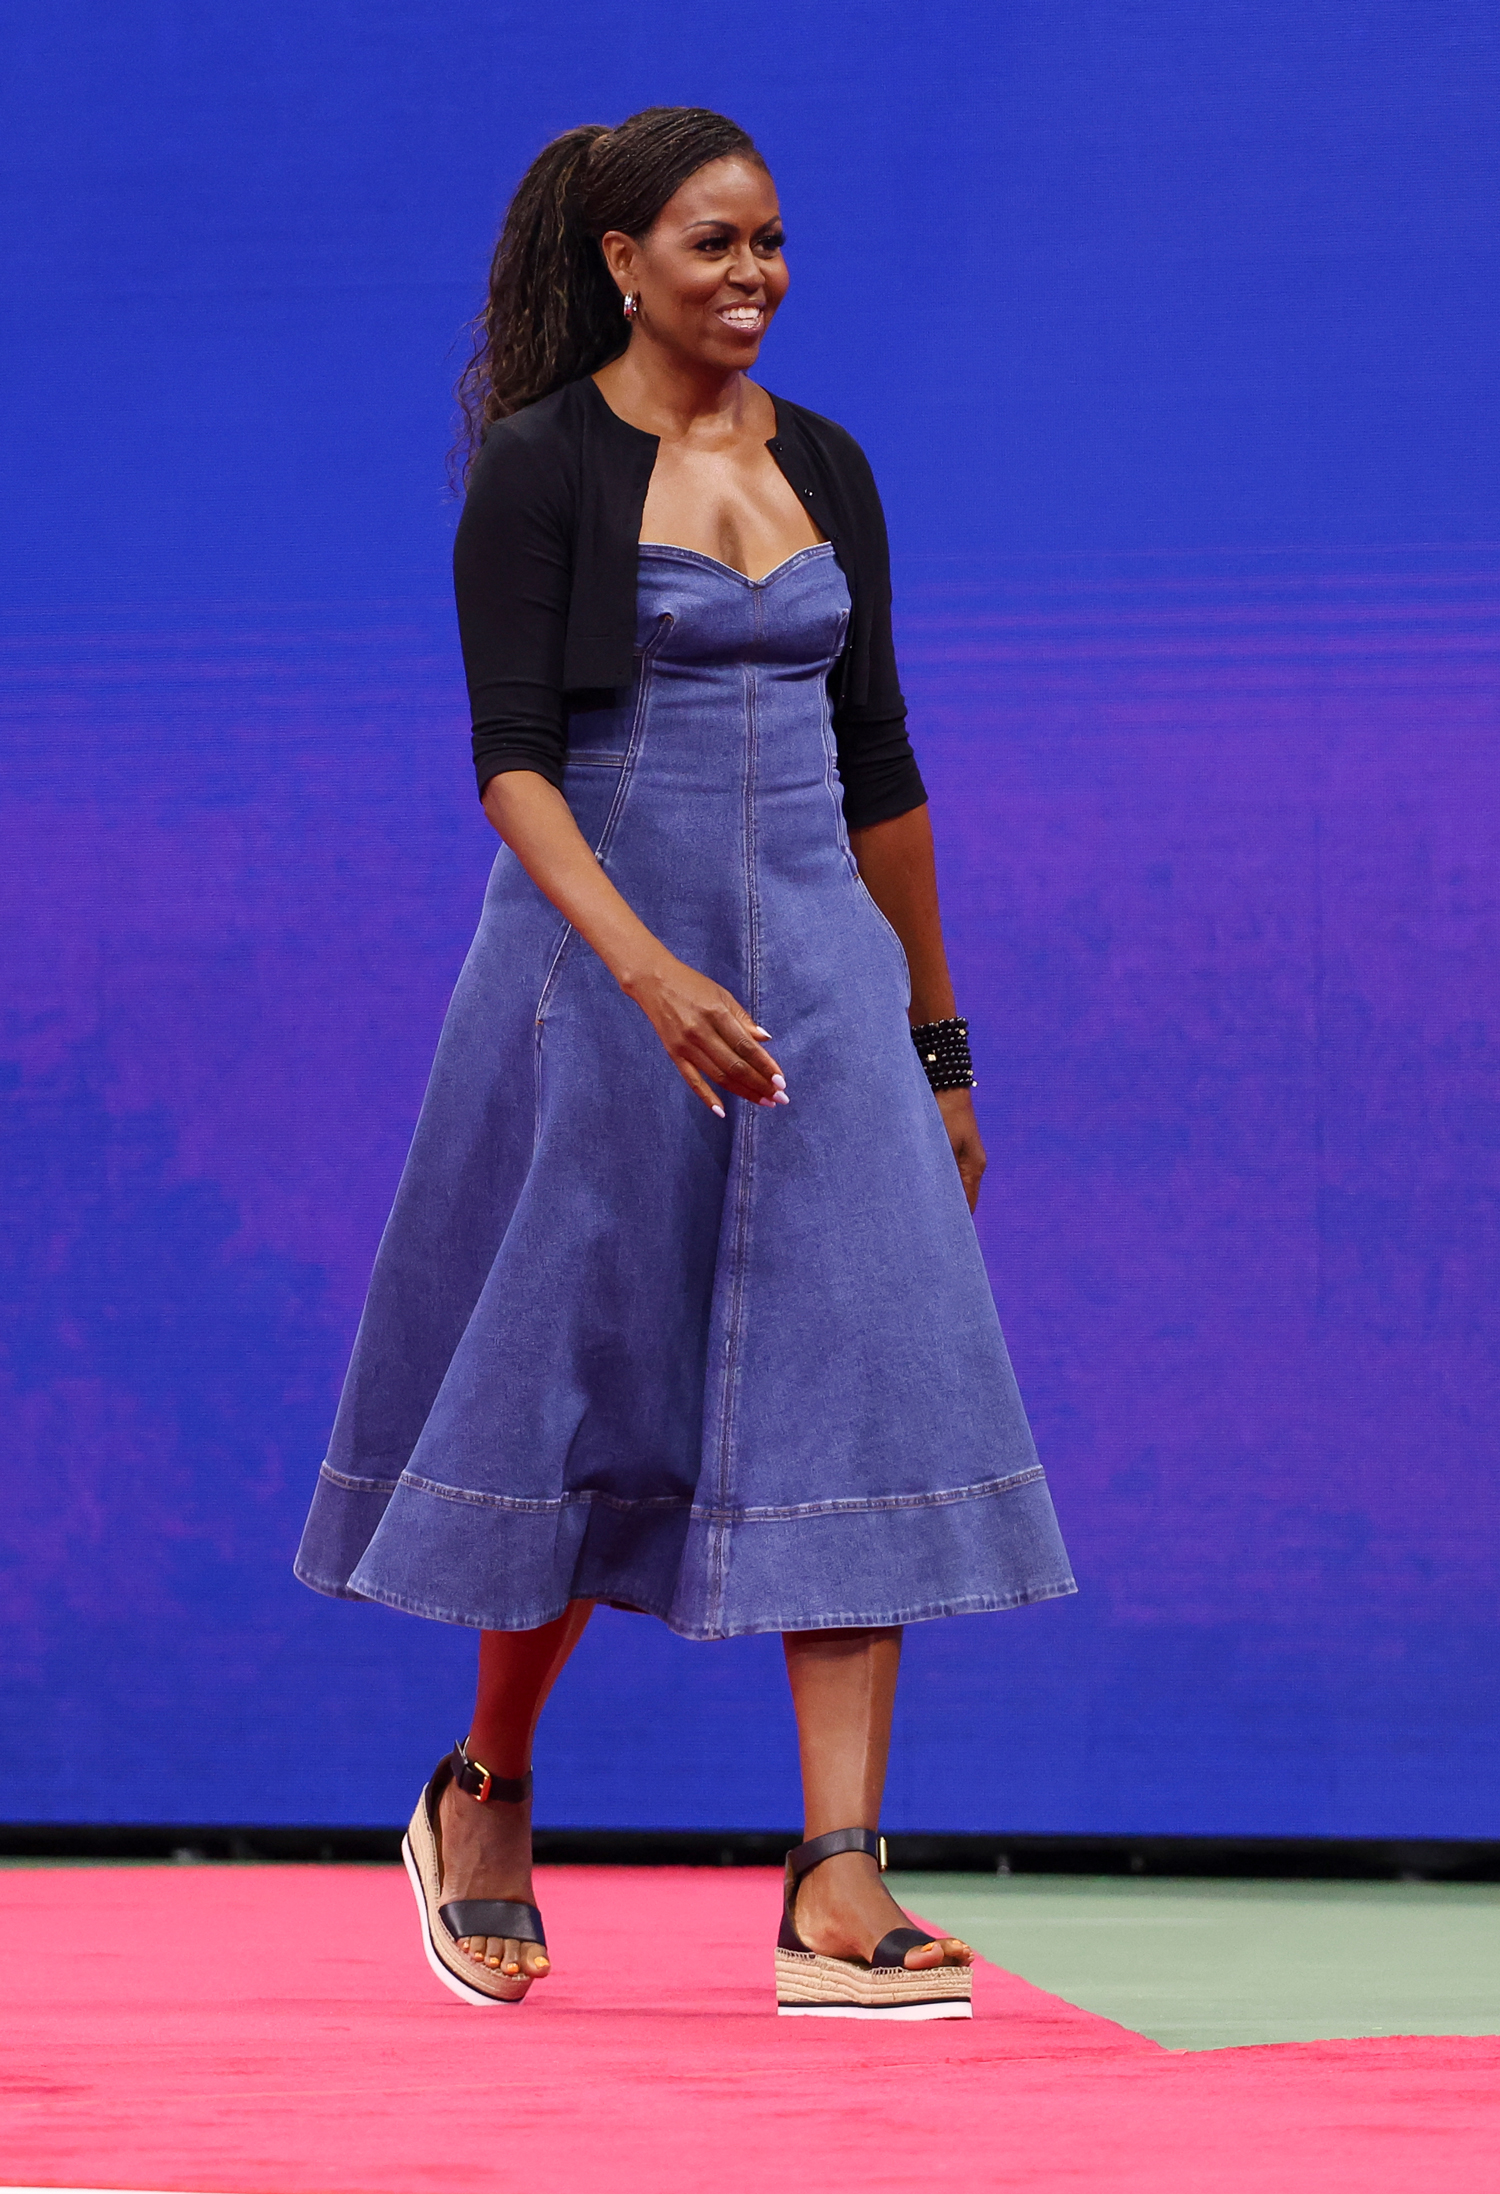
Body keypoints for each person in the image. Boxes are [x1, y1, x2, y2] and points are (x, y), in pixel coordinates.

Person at [295, 105, 1074, 2020]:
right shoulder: (543, 467)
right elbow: (511, 767)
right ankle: (486, 1785)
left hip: (821, 984)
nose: (754, 275)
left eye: (771, 241)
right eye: (715, 243)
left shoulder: (828, 465)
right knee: (588, 1385)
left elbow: (882, 769)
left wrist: (936, 1039)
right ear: (622, 260)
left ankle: (838, 1873)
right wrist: (645, 974)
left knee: (867, 1377)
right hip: (600, 970)